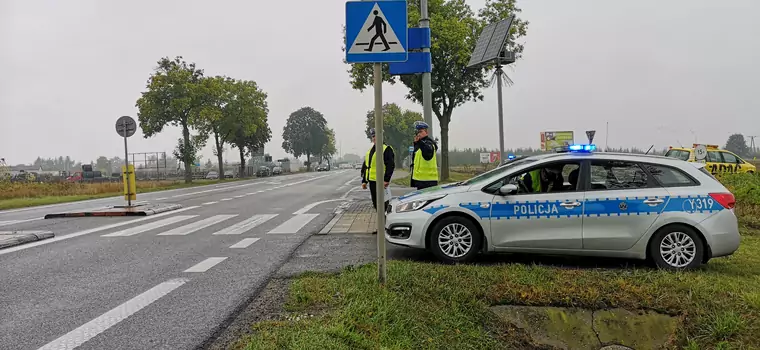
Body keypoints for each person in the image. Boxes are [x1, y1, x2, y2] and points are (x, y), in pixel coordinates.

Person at [361, 128, 396, 222]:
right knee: (376, 204)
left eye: (376, 136)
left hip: (381, 182)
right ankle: (381, 225)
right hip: (372, 181)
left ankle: (385, 225)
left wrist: (386, 180)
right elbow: (366, 167)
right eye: (373, 136)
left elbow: (390, 165)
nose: (374, 138)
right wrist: (364, 181)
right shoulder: (370, 151)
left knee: (383, 205)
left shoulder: (386, 149)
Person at [410, 121, 438, 190]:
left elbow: (427, 153)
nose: (418, 134)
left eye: (421, 131)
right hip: (420, 180)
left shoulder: (429, 143)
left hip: (428, 181)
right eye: (418, 132)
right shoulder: (419, 144)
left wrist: (419, 142)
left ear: (426, 132)